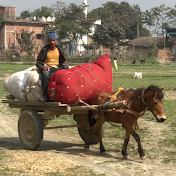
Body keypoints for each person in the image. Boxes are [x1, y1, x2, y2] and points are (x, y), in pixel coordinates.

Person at [36, 31, 68, 101]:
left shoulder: (59, 49)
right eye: (50, 40)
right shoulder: (44, 50)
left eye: (53, 40)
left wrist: (64, 63)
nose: (52, 42)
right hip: (48, 68)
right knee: (45, 74)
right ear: (48, 41)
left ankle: (65, 92)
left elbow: (63, 60)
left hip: (57, 67)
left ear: (56, 41)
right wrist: (43, 67)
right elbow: (38, 62)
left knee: (66, 68)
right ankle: (45, 95)